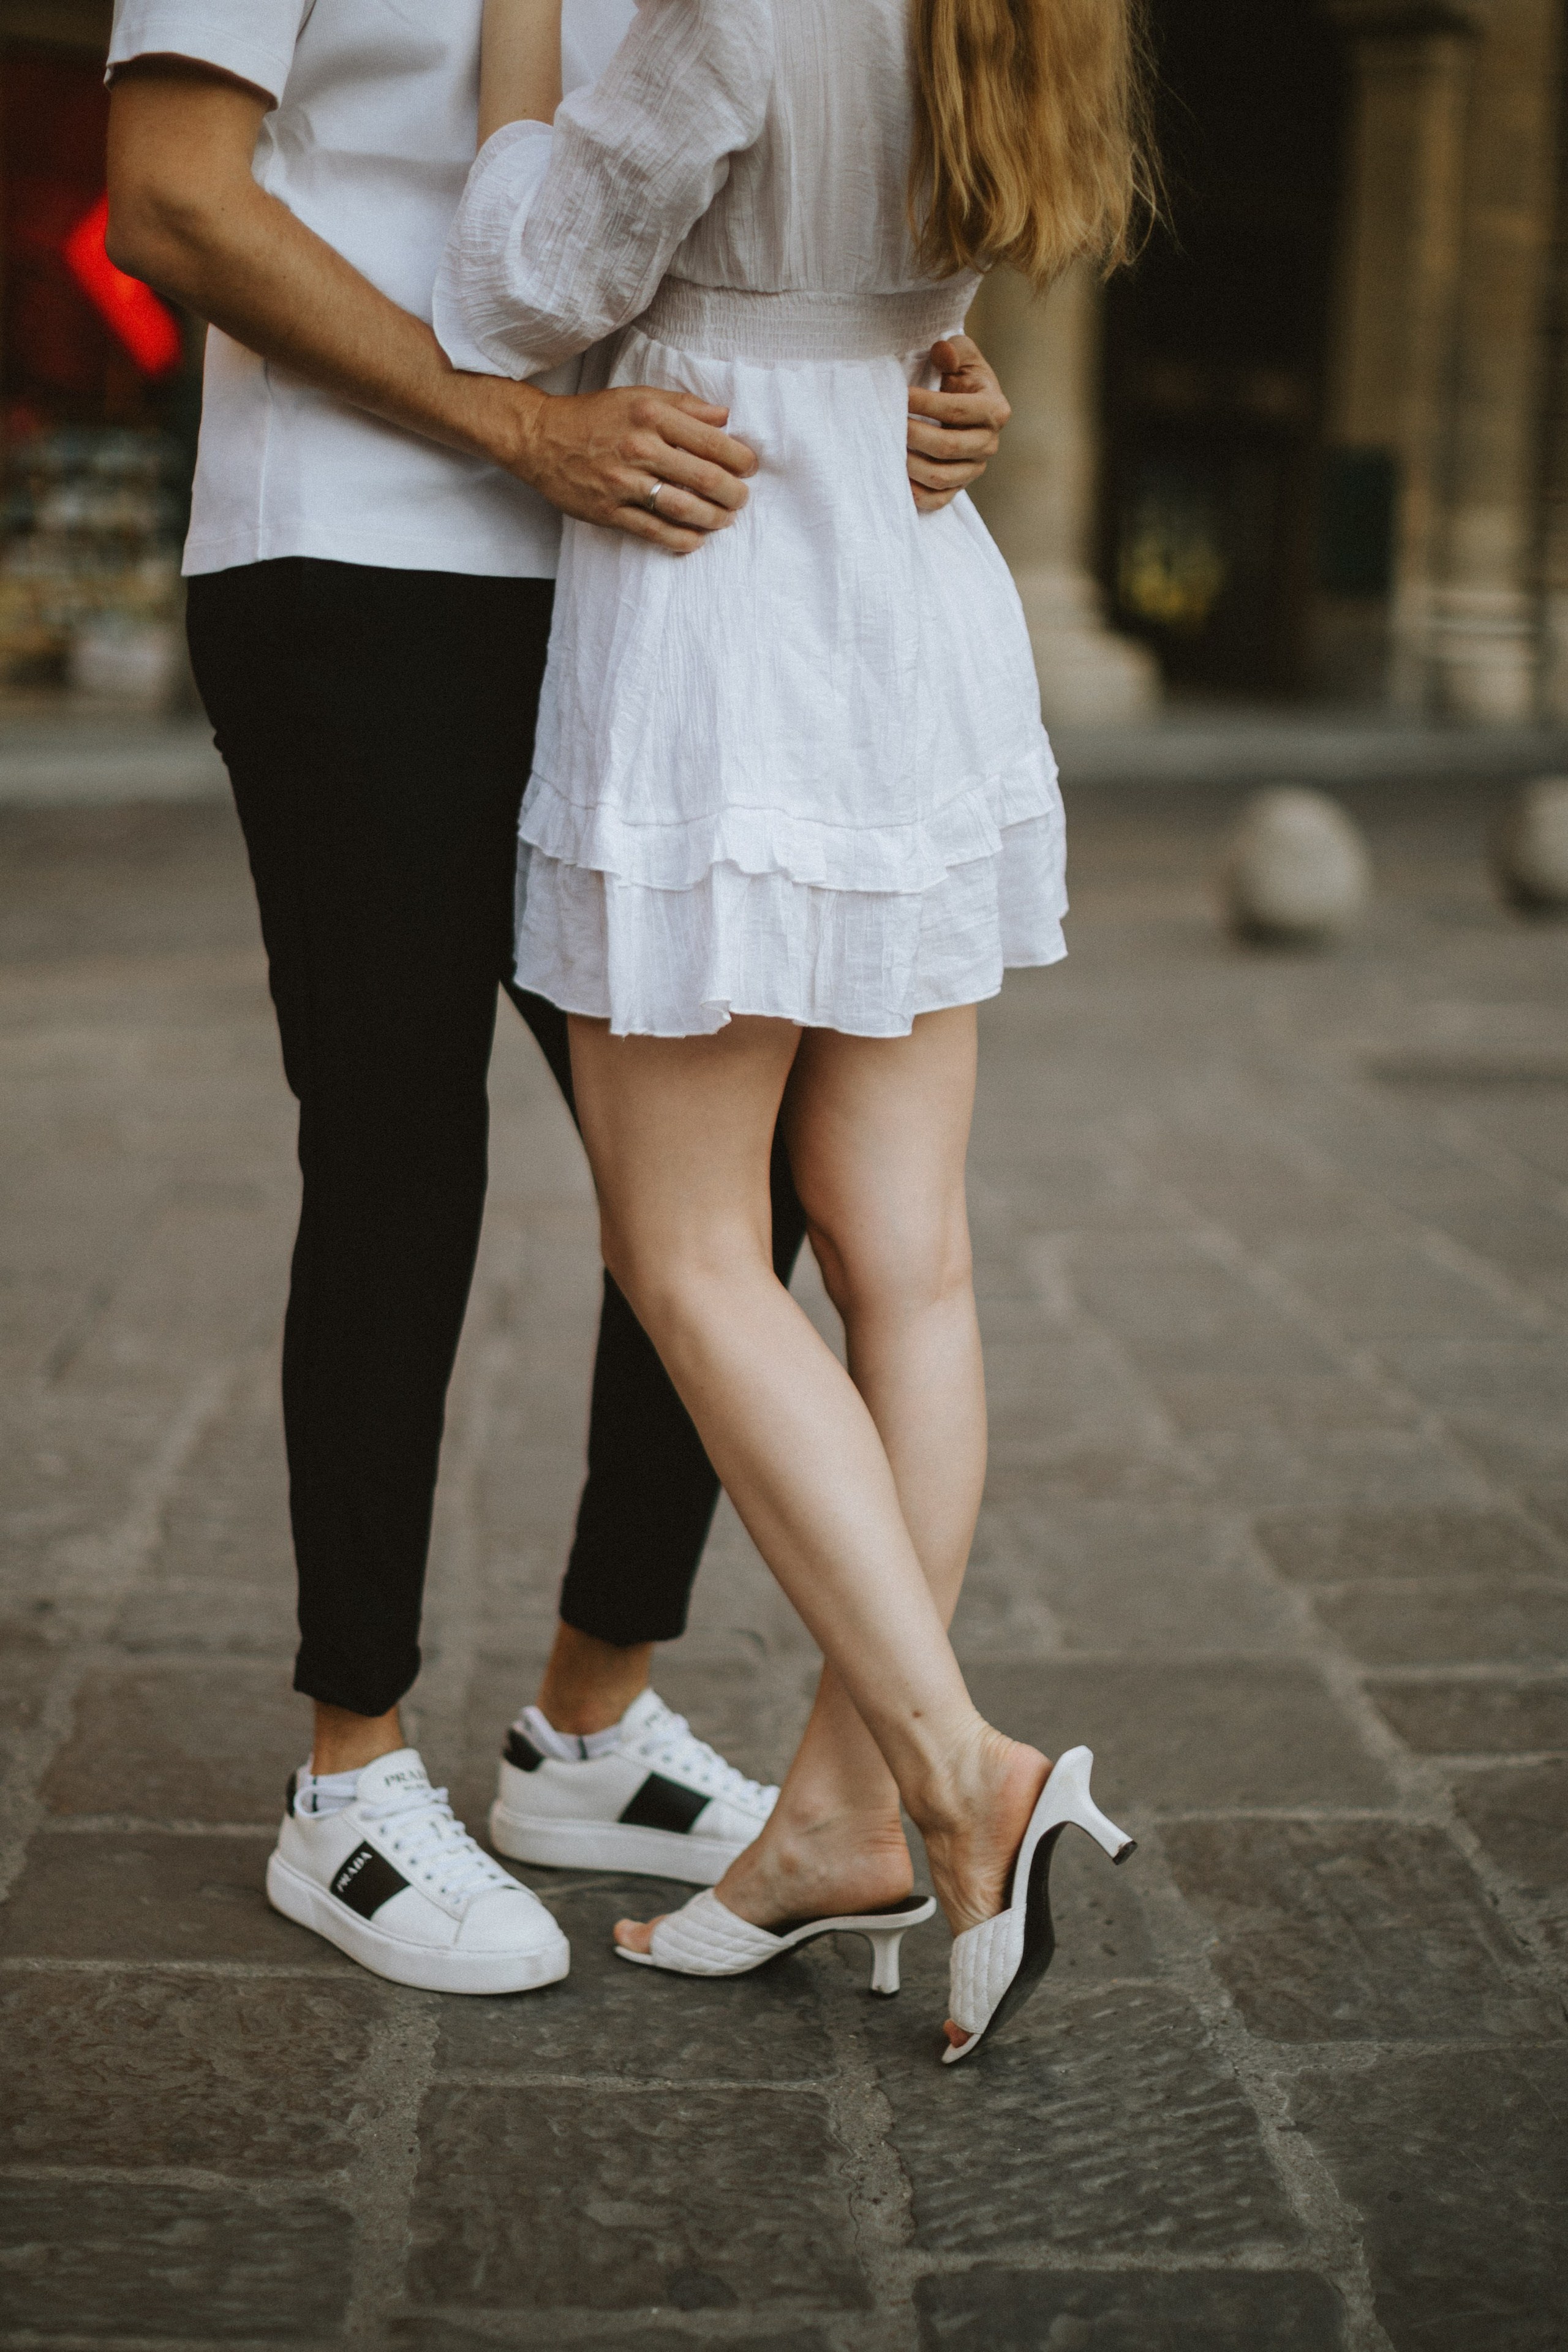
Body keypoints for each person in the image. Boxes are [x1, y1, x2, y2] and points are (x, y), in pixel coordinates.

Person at [102, 0, 1014, 1996]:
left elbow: (749, 188)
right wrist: (517, 424)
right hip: (364, 556)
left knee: (728, 1183)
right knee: (401, 1141)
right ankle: (349, 1775)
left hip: (661, 579)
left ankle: (586, 1718)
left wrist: (919, 382)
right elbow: (169, 201)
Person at [435, 0, 1153, 2056]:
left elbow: (521, 286)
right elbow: (928, 282)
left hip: (728, 594)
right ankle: (838, 1820)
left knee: (685, 1251)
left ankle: (957, 1775)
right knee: (905, 1264)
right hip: (910, 596)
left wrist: (514, 57)